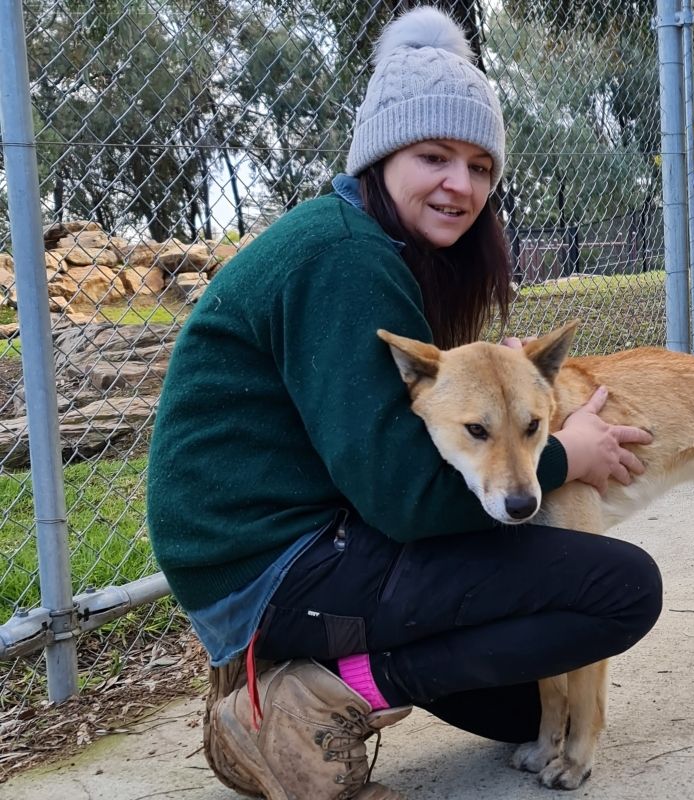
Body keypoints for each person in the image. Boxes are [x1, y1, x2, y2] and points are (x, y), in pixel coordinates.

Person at [146, 7, 661, 799]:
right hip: (271, 571)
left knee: (527, 701)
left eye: (481, 167)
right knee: (621, 589)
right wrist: (564, 454)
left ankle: (344, 669)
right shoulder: (346, 261)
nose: (462, 185)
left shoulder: (368, 246)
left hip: (304, 545)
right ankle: (317, 699)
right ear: (380, 156)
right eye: (434, 156)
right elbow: (405, 501)